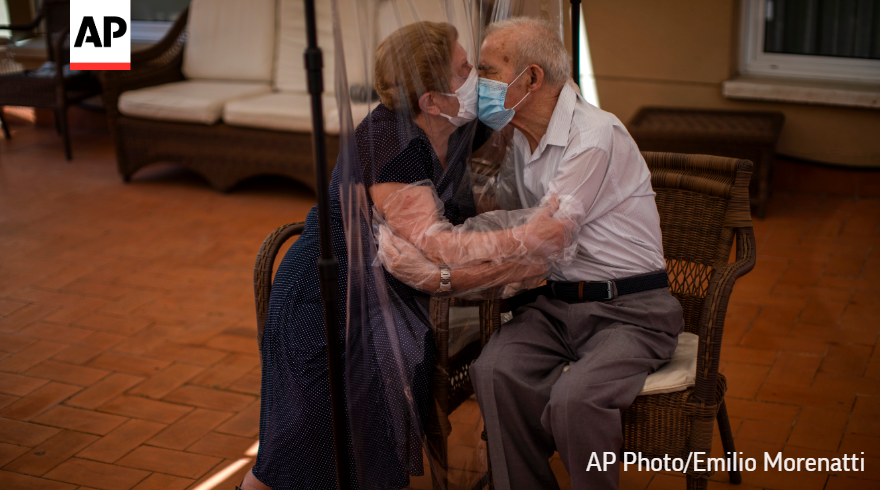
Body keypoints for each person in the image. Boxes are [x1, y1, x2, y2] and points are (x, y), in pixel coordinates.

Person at [240, 21, 568, 490]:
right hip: (326, 301)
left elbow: (520, 104)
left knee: (351, 443)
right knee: (301, 446)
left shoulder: (453, 124)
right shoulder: (389, 146)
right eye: (463, 69)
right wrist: (529, 237)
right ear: (430, 101)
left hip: (385, 294)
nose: (476, 75)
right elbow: (439, 245)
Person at [386, 17, 684, 490]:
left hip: (631, 310)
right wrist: (414, 216)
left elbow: (546, 236)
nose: (475, 84)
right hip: (556, 305)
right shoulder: (521, 138)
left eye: (486, 71)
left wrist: (442, 267)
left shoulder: (594, 135)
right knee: (494, 371)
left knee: (575, 399)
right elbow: (509, 216)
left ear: (531, 79)